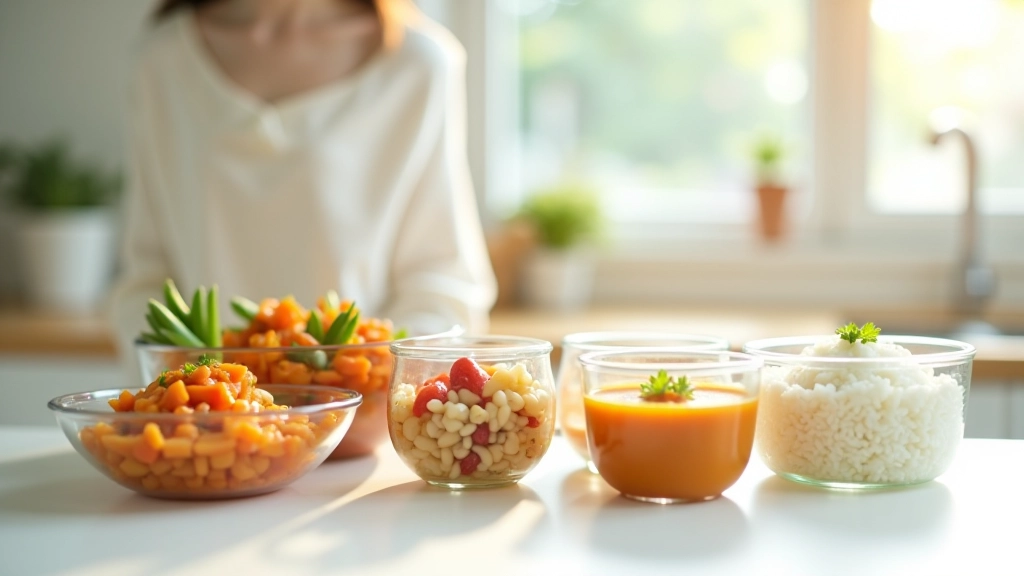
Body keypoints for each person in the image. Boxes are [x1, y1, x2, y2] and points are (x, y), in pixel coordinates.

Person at [111, 0, 497, 372]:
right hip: (207, 420)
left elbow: (441, 284)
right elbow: (146, 273)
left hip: (358, 423)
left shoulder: (418, 63)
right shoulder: (162, 60)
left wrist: (354, 384)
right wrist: (197, 389)